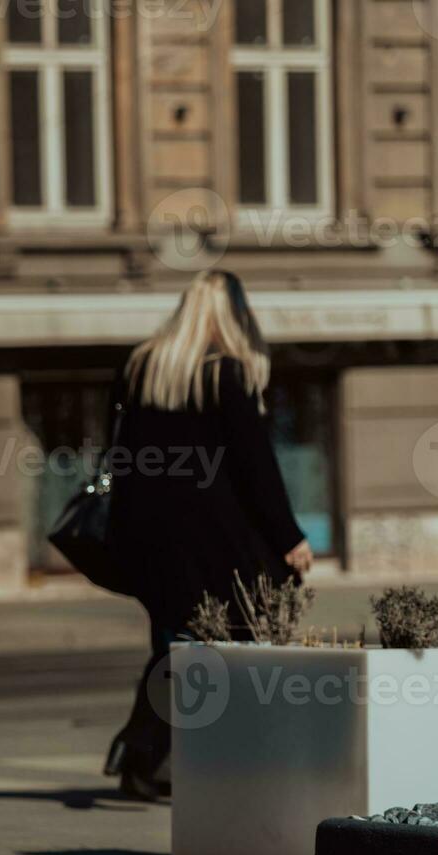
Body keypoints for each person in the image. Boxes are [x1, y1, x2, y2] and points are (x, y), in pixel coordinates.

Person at [105, 269, 313, 800]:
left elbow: (119, 457)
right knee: (223, 650)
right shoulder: (227, 375)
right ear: (231, 314)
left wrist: (122, 534)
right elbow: (255, 467)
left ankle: (144, 759)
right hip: (215, 543)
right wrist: (289, 536)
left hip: (151, 541)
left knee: (173, 647)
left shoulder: (143, 368)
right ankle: (201, 762)